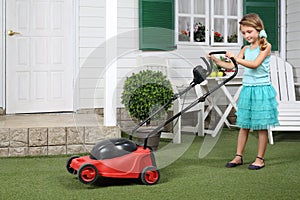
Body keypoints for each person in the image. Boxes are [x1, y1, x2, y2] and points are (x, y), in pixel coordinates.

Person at [207, 13, 279, 170]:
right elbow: (231, 66)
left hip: (261, 90)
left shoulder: (266, 47)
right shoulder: (245, 48)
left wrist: (235, 58)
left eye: (249, 32)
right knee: (244, 125)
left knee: (261, 126)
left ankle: (260, 159)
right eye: (243, 33)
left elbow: (254, 64)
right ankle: (238, 156)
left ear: (258, 29)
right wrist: (217, 61)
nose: (246, 35)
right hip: (248, 90)